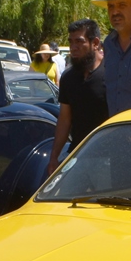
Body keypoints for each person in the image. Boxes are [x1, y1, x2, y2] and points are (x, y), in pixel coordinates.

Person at [48, 18, 108, 175]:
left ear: (95, 43)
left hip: (107, 159)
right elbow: (64, 119)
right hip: (77, 155)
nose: (73, 48)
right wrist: (54, 157)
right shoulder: (68, 78)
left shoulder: (112, 75)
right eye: (71, 42)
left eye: (79, 42)